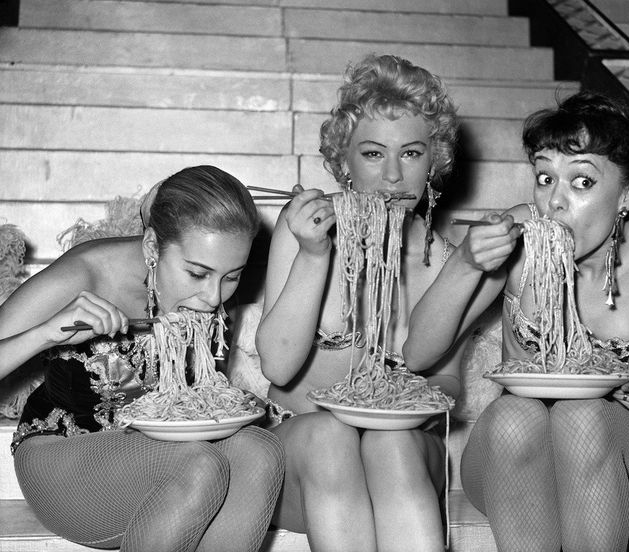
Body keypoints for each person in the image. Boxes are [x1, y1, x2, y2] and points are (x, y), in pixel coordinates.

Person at [405, 91, 629, 551]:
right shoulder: (515, 236)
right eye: (544, 177)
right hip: (510, 454)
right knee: (515, 416)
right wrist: (463, 263)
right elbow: (417, 354)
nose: (553, 202)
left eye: (581, 182)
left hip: (625, 458)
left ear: (627, 196)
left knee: (582, 416)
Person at [0, 165, 285, 552]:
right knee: (201, 465)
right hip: (63, 458)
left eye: (232, 276)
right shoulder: (86, 274)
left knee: (260, 451)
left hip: (168, 456)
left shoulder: (210, 290)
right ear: (152, 247)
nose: (215, 297)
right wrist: (45, 332)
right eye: (197, 273)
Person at [254, 54, 475, 552]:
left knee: (389, 443)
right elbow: (278, 366)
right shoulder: (307, 227)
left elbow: (450, 379)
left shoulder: (446, 260)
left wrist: (400, 405)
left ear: (434, 161)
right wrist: (314, 257)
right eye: (374, 154)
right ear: (344, 162)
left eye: (412, 153)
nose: (393, 176)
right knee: (332, 438)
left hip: (404, 449)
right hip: (304, 446)